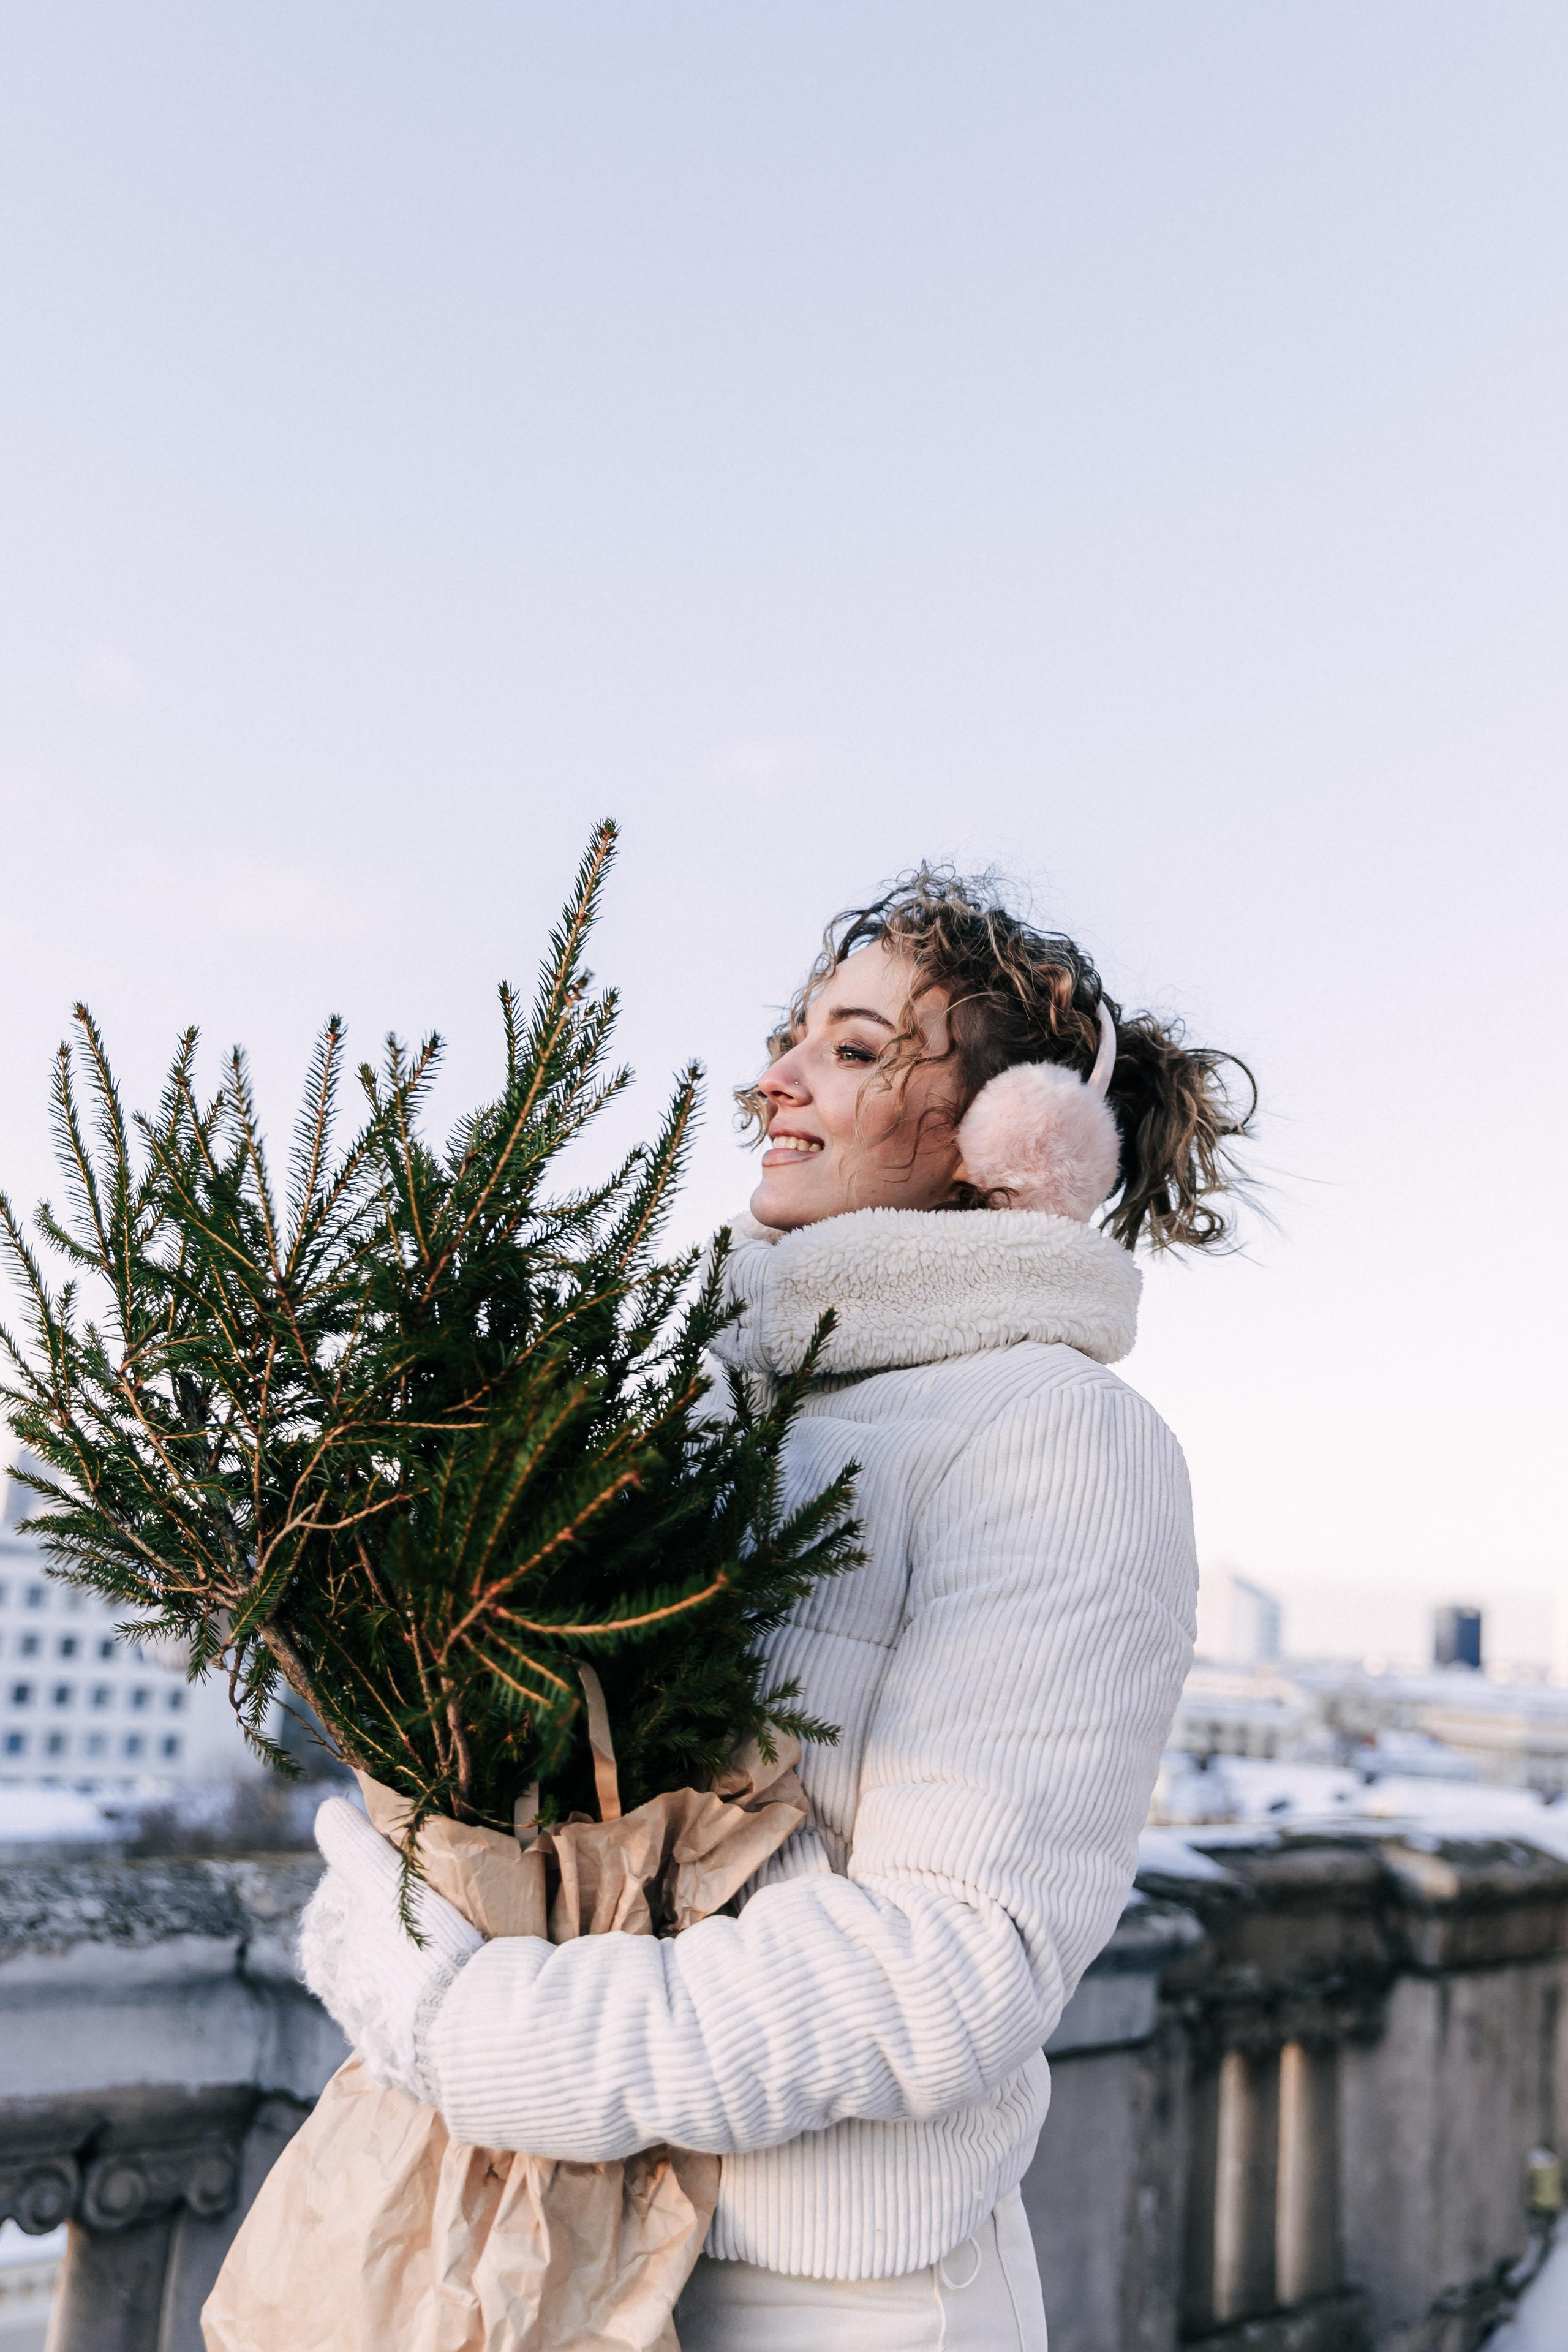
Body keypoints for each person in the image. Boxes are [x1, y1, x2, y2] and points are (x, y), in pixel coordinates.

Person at [300, 865, 1255, 2350]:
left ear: (1007, 1143)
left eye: (857, 1048)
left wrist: (464, 2030)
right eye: (792, 1034)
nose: (773, 1080)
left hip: (824, 2303)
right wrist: (379, 1907)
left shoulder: (1052, 1438)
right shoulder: (708, 1417)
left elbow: (952, 1964)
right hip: (559, 2244)